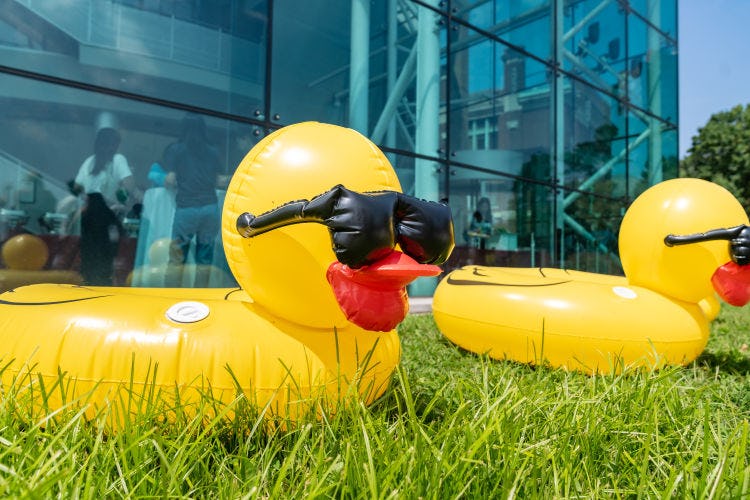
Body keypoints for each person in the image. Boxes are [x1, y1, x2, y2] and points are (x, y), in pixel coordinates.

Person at [163, 114, 222, 288]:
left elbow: (170, 180)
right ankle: (200, 300)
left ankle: (170, 299)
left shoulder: (177, 149)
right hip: (210, 210)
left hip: (187, 209)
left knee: (177, 259)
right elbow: (218, 181)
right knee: (204, 262)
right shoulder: (213, 151)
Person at [75, 127, 138, 214]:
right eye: (114, 144)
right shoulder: (118, 159)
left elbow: (77, 189)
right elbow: (130, 185)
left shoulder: (88, 161)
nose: (114, 148)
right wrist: (121, 202)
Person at [79, 192, 124, 285]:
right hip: (105, 249)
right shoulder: (108, 213)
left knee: (89, 275)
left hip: (88, 249)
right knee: (104, 274)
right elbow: (117, 231)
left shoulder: (85, 214)